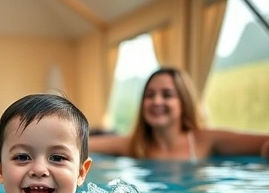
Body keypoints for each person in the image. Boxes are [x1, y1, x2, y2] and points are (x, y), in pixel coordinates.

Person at [89, 67, 269, 160]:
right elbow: (82, 144)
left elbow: (264, 143)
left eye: (167, 95)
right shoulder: (134, 145)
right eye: (149, 95)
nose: (156, 101)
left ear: (183, 102)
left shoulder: (203, 140)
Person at [0, 93, 93, 193]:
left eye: (57, 158)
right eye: (22, 157)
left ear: (81, 173)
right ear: (0, 170)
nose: (39, 170)